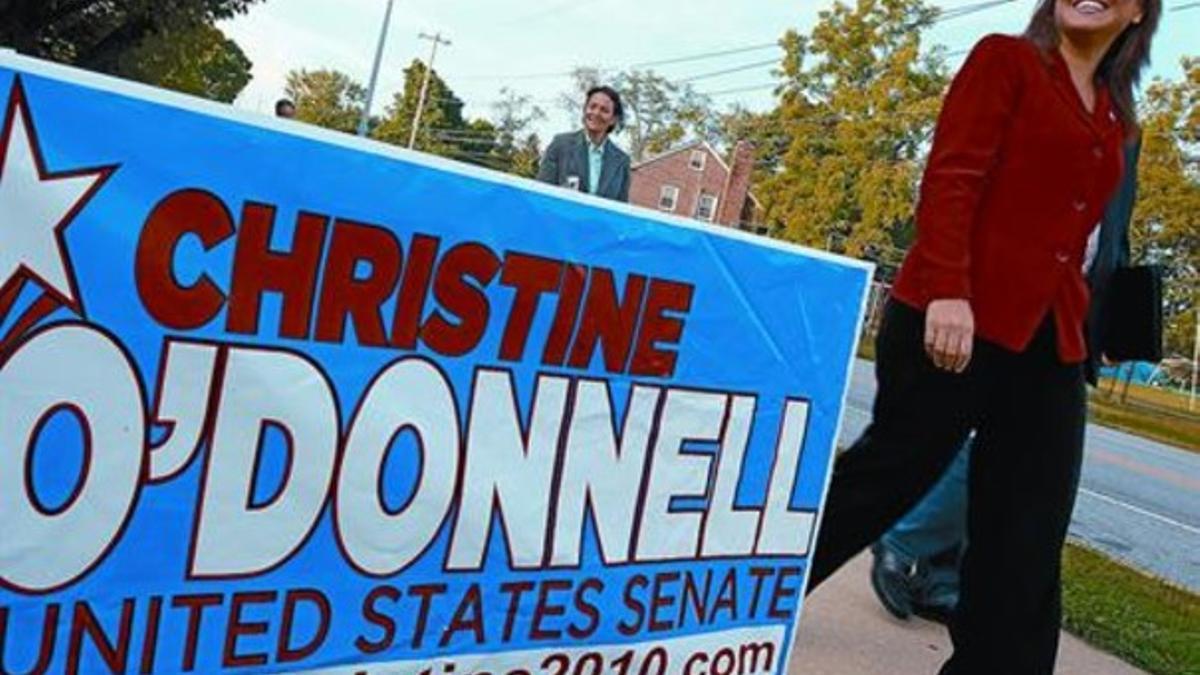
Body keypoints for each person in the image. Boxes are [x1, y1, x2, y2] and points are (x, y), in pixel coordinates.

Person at [805, 0, 1160, 671]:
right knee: (880, 483)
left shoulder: (1115, 117)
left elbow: (1085, 235)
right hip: (955, 317)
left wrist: (1103, 321)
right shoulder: (1008, 61)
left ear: (1138, 11)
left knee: (1028, 532)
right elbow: (952, 176)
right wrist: (947, 288)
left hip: (1050, 340)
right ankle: (734, 606)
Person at [868, 135, 1144, 628]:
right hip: (1003, 296)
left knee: (1020, 456)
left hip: (1065, 315)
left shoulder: (1127, 130)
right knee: (994, 443)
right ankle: (906, 537)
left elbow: (1115, 231)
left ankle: (939, 575)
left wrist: (1114, 320)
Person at [536, 85, 631, 202]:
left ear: (613, 119)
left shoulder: (622, 162)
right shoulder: (560, 145)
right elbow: (542, 192)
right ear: (585, 109)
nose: (596, 113)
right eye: (592, 106)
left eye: (604, 110)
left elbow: (620, 208)